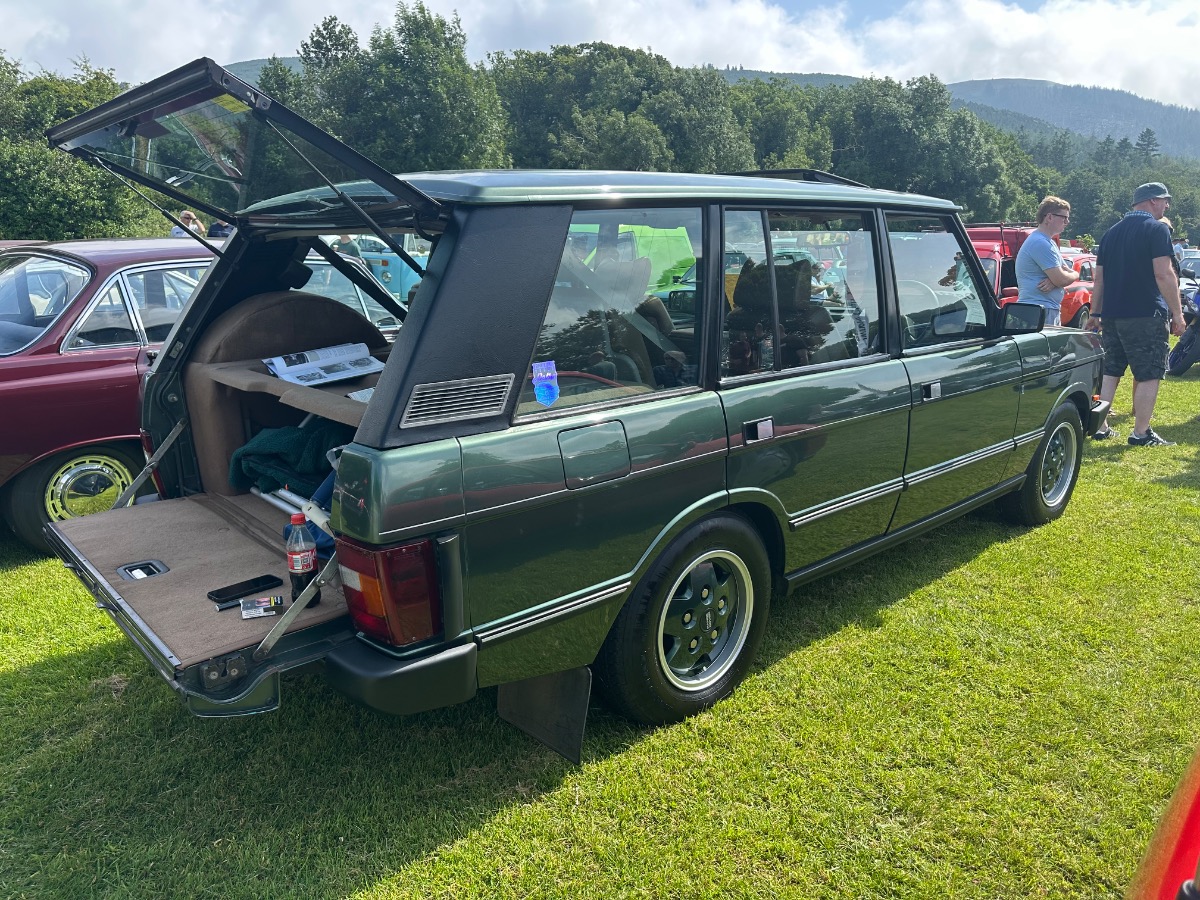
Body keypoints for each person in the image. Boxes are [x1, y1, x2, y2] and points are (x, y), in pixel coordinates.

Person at [1088, 182, 1184, 446]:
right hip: (1145, 313)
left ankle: (1100, 426)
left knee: (1111, 370)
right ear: (1153, 201)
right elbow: (1163, 274)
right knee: (1149, 372)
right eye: (1165, 201)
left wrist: (1096, 312)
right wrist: (1177, 313)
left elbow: (1100, 280)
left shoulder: (1111, 233)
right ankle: (1141, 432)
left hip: (1112, 314)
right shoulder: (1156, 229)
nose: (1167, 206)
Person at [1015, 196, 1079, 326]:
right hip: (1038, 311)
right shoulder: (1040, 243)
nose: (1067, 222)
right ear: (1049, 217)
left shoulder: (1047, 242)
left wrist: (1055, 281)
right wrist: (1060, 279)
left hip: (1043, 310)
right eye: (1064, 217)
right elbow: (1062, 279)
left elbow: (1066, 274)